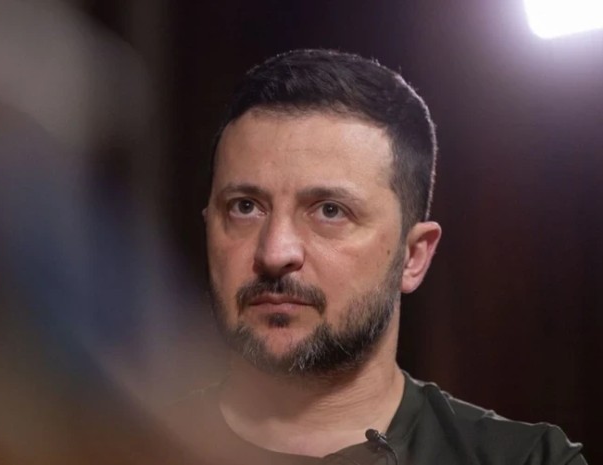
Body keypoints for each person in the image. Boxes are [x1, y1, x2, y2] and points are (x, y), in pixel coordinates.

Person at [165, 49, 586, 465]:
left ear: (413, 256)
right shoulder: (133, 448)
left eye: (330, 211)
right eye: (244, 207)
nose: (275, 252)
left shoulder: (528, 461)